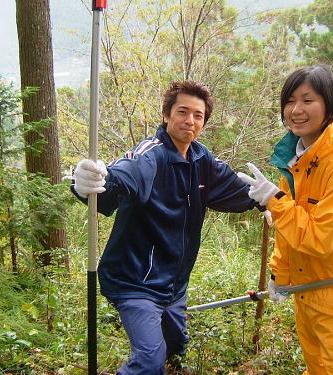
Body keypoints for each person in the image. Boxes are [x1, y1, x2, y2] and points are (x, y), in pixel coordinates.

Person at [72, 80, 266, 374]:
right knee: (151, 360)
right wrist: (94, 183)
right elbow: (124, 177)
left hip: (174, 283)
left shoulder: (201, 159)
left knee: (175, 346)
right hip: (135, 280)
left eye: (198, 115)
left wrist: (267, 200)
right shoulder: (151, 154)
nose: (190, 121)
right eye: (182, 112)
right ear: (166, 115)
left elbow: (233, 189)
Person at [238, 65, 333, 375]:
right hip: (307, 286)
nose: (296, 110)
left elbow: (319, 237)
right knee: (316, 365)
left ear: (329, 105)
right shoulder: (299, 157)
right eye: (290, 101)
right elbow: (291, 226)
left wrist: (274, 201)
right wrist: (281, 271)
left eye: (308, 100)